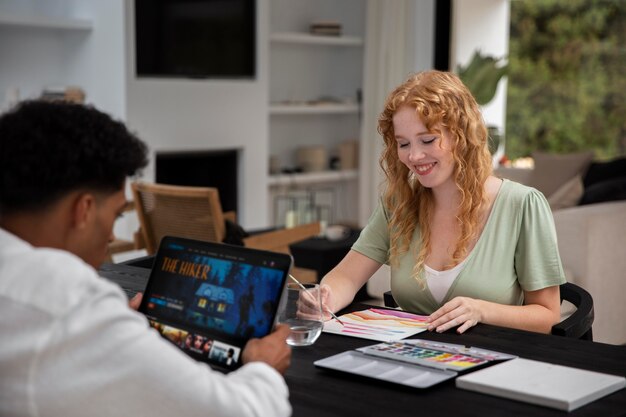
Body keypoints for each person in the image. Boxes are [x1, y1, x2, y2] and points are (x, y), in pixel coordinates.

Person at [0, 100, 292, 417]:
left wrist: (114, 332)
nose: (111, 236)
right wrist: (263, 366)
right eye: (115, 215)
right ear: (82, 210)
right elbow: (238, 411)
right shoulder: (67, 303)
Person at [320, 70, 565, 334]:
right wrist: (322, 299)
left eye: (427, 140)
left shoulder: (522, 205)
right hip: (415, 361)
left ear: (461, 136)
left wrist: (480, 310)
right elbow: (345, 277)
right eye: (403, 144)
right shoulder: (398, 205)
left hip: (496, 365)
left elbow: (548, 317)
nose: (414, 156)